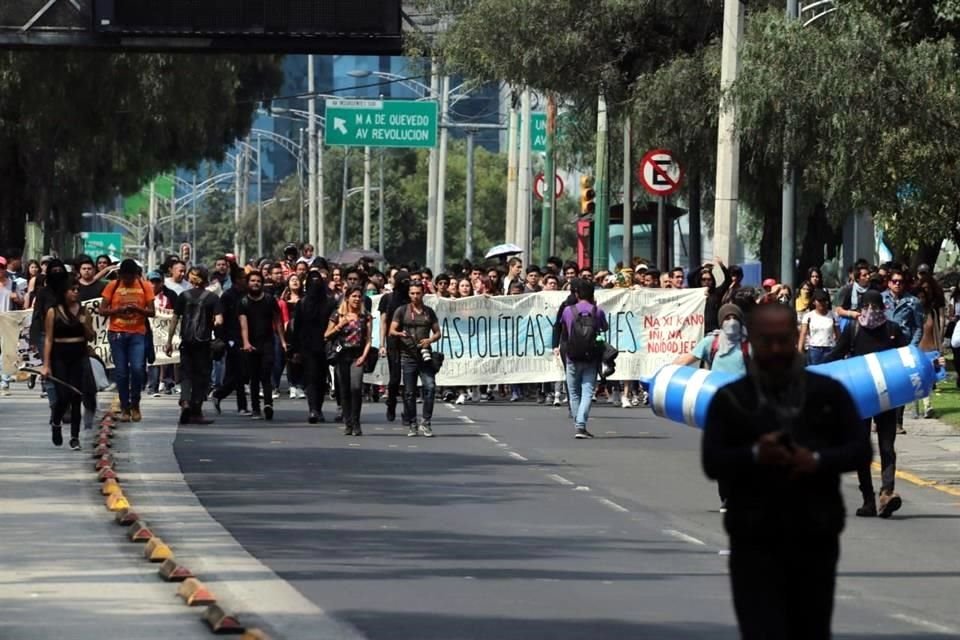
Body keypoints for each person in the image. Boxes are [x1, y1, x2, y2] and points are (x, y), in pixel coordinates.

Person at [702, 303, 870, 640]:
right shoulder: (732, 399)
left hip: (814, 538)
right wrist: (754, 455)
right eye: (767, 341)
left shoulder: (827, 393)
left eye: (783, 340)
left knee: (810, 628)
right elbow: (713, 461)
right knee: (762, 629)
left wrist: (817, 460)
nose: (776, 349)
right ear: (754, 342)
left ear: (796, 338)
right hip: (754, 539)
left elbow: (860, 450)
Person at [826, 290, 908, 518]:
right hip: (860, 398)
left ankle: (886, 494)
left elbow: (906, 357)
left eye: (876, 306)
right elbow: (835, 355)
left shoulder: (892, 330)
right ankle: (868, 500)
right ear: (860, 309)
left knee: (887, 447)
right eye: (867, 306)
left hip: (887, 397)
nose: (872, 312)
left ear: (882, 307)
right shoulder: (852, 329)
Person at [40, 277, 95, 450]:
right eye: (72, 289)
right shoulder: (53, 312)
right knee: (63, 396)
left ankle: (74, 437)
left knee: (76, 395)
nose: (76, 292)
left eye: (78, 289)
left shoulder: (84, 311)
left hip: (79, 355)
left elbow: (91, 337)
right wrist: (46, 365)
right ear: (64, 292)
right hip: (59, 356)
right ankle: (56, 422)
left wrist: (84, 325)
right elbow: (49, 339)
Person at [164, 267, 223, 425]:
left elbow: (175, 319)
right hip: (203, 343)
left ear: (191, 279)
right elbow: (219, 321)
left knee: (186, 373)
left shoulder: (184, 296)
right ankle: (197, 412)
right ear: (206, 279)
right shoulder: (212, 298)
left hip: (187, 341)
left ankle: (185, 401)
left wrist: (169, 341)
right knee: (201, 376)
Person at [100, 259, 155, 423]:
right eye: (125, 276)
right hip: (117, 334)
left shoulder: (145, 286)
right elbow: (102, 310)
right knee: (121, 372)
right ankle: (125, 406)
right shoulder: (113, 286)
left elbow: (152, 312)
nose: (128, 280)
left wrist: (138, 309)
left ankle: (135, 403)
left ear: (136, 274)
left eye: (130, 277)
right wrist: (118, 310)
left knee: (138, 369)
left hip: (138, 333)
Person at [389, 280, 442, 437]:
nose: (415, 296)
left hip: (424, 356)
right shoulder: (402, 310)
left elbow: (438, 332)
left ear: (423, 294)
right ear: (408, 294)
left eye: (418, 293)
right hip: (408, 356)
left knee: (430, 387)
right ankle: (412, 423)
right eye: (412, 293)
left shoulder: (429, 312)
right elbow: (392, 330)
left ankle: (426, 422)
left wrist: (430, 340)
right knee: (409, 393)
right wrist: (400, 333)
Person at [557, 279, 608, 439]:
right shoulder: (597, 311)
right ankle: (581, 425)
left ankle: (577, 423)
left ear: (577, 294)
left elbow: (564, 328)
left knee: (573, 392)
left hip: (572, 355)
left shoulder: (568, 311)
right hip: (591, 356)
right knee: (587, 391)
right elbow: (604, 327)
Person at [324, 286, 373, 436]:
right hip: (341, 355)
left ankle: (356, 421)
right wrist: (340, 325)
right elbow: (326, 335)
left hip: (357, 355)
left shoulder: (366, 316)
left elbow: (368, 340)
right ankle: (348, 422)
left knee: (356, 388)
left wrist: (363, 357)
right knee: (344, 389)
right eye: (354, 296)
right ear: (347, 298)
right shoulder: (338, 314)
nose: (357, 299)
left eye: (359, 296)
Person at [882, 268, 923, 433]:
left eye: (900, 282)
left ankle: (898, 421)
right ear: (889, 283)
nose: (897, 284)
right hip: (883, 347)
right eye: (894, 281)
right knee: (883, 384)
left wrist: (912, 346)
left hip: (903, 347)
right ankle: (881, 420)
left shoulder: (912, 302)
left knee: (901, 385)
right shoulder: (881, 298)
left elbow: (918, 327)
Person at [239, 271, 284, 421]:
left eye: (258, 281)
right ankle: (256, 408)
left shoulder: (270, 300)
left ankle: (268, 404)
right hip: (251, 344)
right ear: (248, 283)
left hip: (268, 342)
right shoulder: (243, 302)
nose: (255, 283)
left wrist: (282, 340)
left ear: (262, 283)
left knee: (266, 374)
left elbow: (278, 320)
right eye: (252, 281)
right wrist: (246, 342)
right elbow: (243, 325)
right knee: (254, 377)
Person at [212, 269, 250, 416]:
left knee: (239, 373)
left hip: (247, 337)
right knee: (239, 372)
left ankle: (219, 394)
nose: (244, 281)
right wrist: (224, 339)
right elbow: (221, 319)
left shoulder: (247, 294)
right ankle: (241, 406)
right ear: (235, 280)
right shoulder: (227, 296)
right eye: (242, 278)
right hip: (233, 338)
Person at [675, 304, 750, 374]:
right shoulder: (710, 342)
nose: (732, 322)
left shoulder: (748, 344)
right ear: (721, 322)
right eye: (727, 318)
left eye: (735, 318)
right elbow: (683, 361)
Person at [379, 270, 411, 422]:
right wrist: (382, 344)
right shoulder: (388, 299)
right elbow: (384, 322)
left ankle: (407, 411)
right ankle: (391, 403)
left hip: (409, 342)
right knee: (395, 378)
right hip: (393, 341)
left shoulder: (412, 298)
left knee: (409, 378)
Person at [797, 289, 838, 365]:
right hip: (814, 350)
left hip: (830, 349)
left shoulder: (833, 315)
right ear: (814, 302)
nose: (822, 303)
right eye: (819, 301)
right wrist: (800, 350)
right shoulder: (808, 316)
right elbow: (803, 334)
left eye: (824, 300)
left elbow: (838, 334)